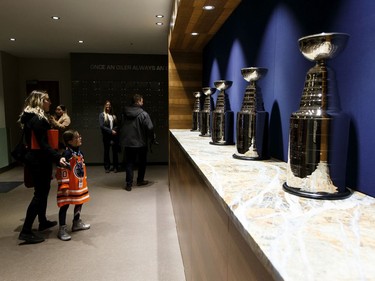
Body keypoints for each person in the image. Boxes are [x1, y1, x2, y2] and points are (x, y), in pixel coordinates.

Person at [18, 90, 69, 244]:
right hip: (39, 161)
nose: (50, 102)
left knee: (43, 191)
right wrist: (58, 157)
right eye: (47, 100)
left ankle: (42, 221)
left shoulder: (33, 118)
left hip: (38, 159)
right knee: (39, 194)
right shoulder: (38, 120)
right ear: (39, 101)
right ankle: (26, 231)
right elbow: (43, 144)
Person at [55, 130, 91, 241]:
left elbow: (82, 168)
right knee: (64, 205)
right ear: (70, 141)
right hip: (68, 186)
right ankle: (62, 228)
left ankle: (76, 222)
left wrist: (83, 180)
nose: (80, 138)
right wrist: (64, 186)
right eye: (77, 137)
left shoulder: (80, 153)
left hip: (78, 184)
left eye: (80, 136)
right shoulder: (67, 154)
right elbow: (62, 171)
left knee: (80, 202)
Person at [121, 94, 155, 191]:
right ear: (138, 101)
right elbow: (150, 127)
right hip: (141, 143)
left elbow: (121, 125)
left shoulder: (125, 113)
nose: (143, 103)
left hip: (128, 143)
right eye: (142, 101)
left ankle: (128, 184)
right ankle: (140, 180)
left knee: (129, 163)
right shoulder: (144, 114)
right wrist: (152, 137)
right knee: (142, 162)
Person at [99, 100, 119, 173]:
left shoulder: (113, 115)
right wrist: (111, 131)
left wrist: (114, 130)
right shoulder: (102, 115)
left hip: (114, 136)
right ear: (105, 106)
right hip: (106, 136)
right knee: (106, 152)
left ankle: (115, 167)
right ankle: (107, 167)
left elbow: (117, 125)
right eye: (107, 105)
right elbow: (102, 126)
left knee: (115, 152)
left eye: (109, 105)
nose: (108, 106)